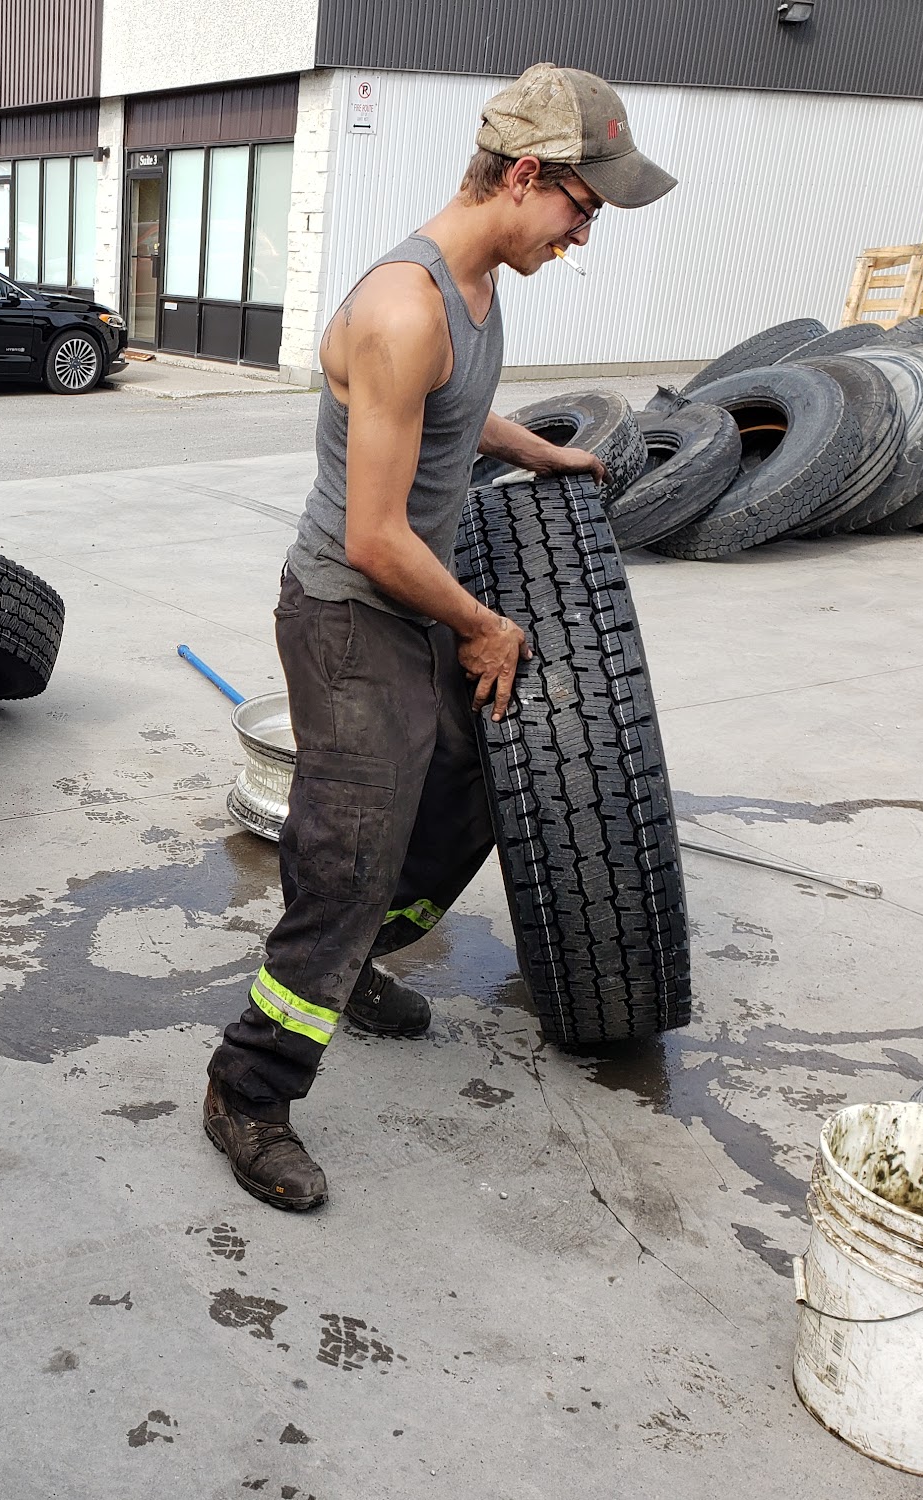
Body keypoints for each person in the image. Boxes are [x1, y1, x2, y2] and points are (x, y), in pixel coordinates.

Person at [203, 64, 678, 1211]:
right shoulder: (402, 307)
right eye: (580, 206)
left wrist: (536, 448)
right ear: (524, 175)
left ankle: (353, 963)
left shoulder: (474, 285)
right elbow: (372, 536)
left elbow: (446, 413)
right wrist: (481, 625)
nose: (582, 233)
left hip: (420, 597)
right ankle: (247, 1089)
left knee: (473, 788)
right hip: (350, 613)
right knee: (348, 855)